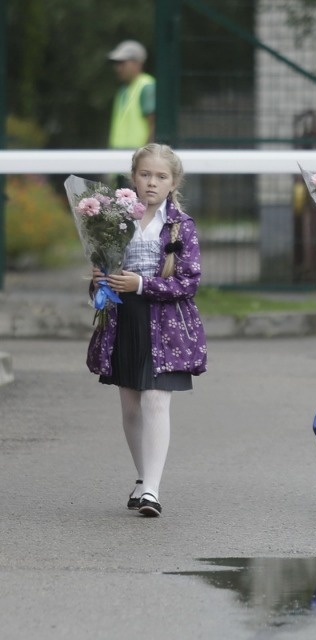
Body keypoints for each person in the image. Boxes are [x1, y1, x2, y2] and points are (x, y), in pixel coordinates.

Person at [89, 143, 207, 517]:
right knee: (131, 405)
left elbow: (189, 283)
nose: (151, 182)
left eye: (160, 176)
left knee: (156, 399)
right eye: (144, 174)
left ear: (173, 183)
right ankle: (143, 477)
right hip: (124, 320)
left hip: (165, 324)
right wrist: (100, 282)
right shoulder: (114, 222)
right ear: (133, 179)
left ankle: (152, 491)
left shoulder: (180, 227)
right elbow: (101, 276)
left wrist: (140, 284)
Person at [107, 40, 156, 150]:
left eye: (122, 63)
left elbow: (154, 125)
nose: (118, 68)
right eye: (117, 64)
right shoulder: (123, 90)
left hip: (136, 162)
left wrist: (145, 158)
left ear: (138, 63)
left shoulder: (146, 86)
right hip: (120, 161)